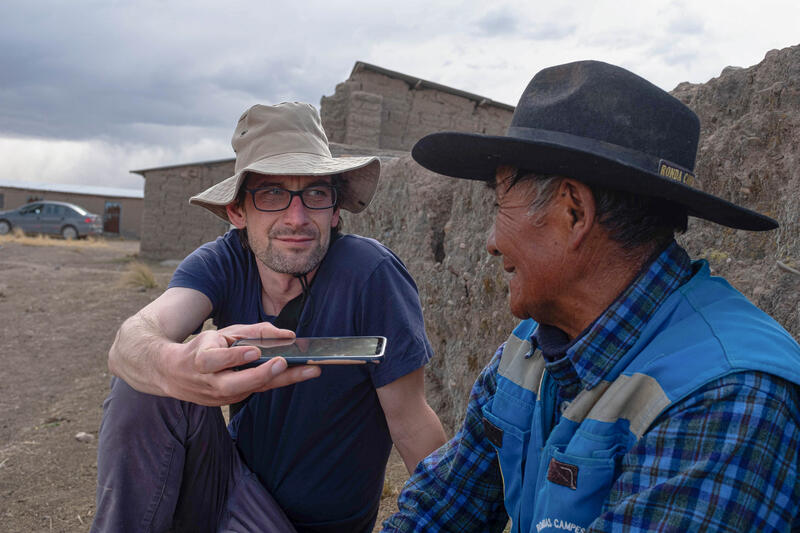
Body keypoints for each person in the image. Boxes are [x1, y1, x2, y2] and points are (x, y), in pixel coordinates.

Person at [383, 61, 800, 532]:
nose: (491, 241)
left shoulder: (726, 399)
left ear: (573, 211)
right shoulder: (527, 356)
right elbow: (441, 509)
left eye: (500, 205)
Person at [92, 102, 446, 533]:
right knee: (142, 381)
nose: (296, 218)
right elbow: (132, 340)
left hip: (310, 526)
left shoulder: (369, 275)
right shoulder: (223, 262)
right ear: (237, 212)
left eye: (315, 193)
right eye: (272, 193)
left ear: (335, 210)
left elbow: (411, 421)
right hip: (228, 491)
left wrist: (452, 519)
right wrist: (174, 367)